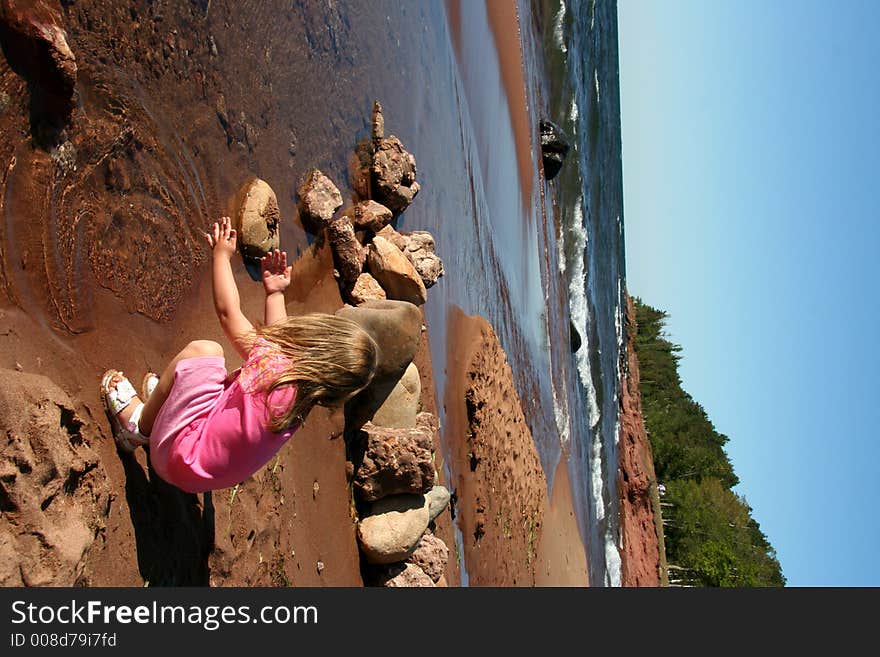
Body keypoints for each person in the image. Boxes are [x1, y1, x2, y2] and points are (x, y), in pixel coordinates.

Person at [100, 216, 379, 493]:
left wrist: (221, 256)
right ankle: (166, 409)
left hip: (174, 456)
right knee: (204, 378)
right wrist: (275, 294)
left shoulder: (273, 370)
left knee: (203, 352)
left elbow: (227, 313)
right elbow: (278, 339)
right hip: (195, 478)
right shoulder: (299, 401)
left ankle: (138, 427)